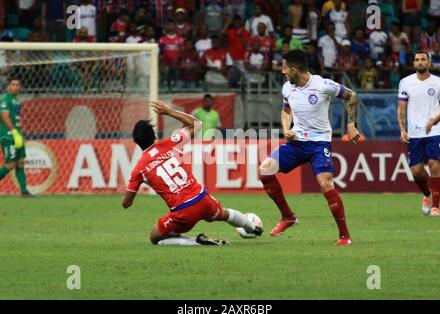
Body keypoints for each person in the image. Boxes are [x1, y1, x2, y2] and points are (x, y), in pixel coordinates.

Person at [122, 101, 262, 245]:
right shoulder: (171, 143)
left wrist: (135, 187)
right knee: (225, 214)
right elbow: (196, 124)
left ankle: (197, 242)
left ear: (136, 142)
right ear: (154, 136)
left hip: (183, 212)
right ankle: (253, 227)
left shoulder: (139, 169)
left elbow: (126, 204)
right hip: (203, 198)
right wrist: (169, 111)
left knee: (155, 237)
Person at [258, 50, 360, 245]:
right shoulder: (288, 88)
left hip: (319, 143)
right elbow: (286, 110)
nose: (283, 71)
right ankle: (288, 217)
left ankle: (345, 236)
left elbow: (352, 96)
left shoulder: (323, 85)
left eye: (285, 67)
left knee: (325, 183)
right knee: (265, 170)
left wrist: (350, 124)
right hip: (296, 143)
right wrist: (286, 128)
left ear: (295, 70)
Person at [397, 50, 440, 217]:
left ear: (429, 63)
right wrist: (402, 129)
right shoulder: (405, 82)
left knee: (435, 165)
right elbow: (401, 109)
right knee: (417, 171)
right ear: (414, 63)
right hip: (414, 133)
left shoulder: (439, 83)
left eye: (423, 59)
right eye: (417, 60)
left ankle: (436, 207)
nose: (420, 62)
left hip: (434, 130)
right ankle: (427, 195)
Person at [0, 78, 32, 197]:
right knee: (10, 164)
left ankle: (24, 191)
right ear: (8, 86)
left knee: (20, 162)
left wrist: (20, 133)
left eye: (18, 85)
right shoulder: (4, 99)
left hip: (17, 135)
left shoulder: (16, 101)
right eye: (13, 84)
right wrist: (14, 132)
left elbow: (17, 119)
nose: (16, 87)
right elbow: (4, 116)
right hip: (8, 135)